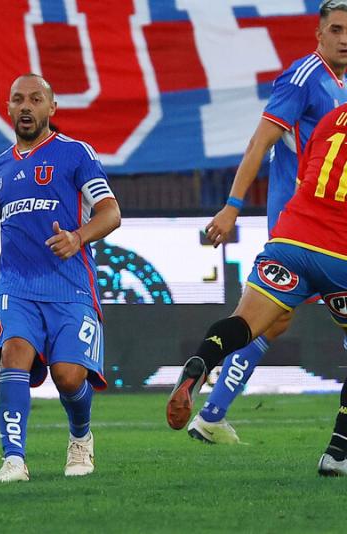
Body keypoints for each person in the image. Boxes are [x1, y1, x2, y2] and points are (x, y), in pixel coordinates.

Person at [189, 0, 347, 444]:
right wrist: (232, 206)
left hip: (323, 224)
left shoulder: (341, 84)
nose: (344, 39)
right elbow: (259, 143)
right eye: (336, 29)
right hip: (301, 221)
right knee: (271, 317)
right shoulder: (303, 78)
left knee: (275, 321)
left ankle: (211, 413)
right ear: (319, 34)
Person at [167, 101, 347, 476]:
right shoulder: (306, 82)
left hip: (291, 240)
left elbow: (306, 177)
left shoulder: (332, 118)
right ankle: (338, 453)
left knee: (243, 323)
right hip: (341, 251)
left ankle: (202, 362)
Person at [0, 74, 121, 483]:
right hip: (16, 286)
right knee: (13, 356)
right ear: (8, 108)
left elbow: (111, 213)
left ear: (52, 107)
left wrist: (78, 237)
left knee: (68, 376)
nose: (26, 106)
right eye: (18, 99)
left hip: (70, 286)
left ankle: (80, 436)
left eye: (35, 99)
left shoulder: (75, 154)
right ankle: (13, 460)